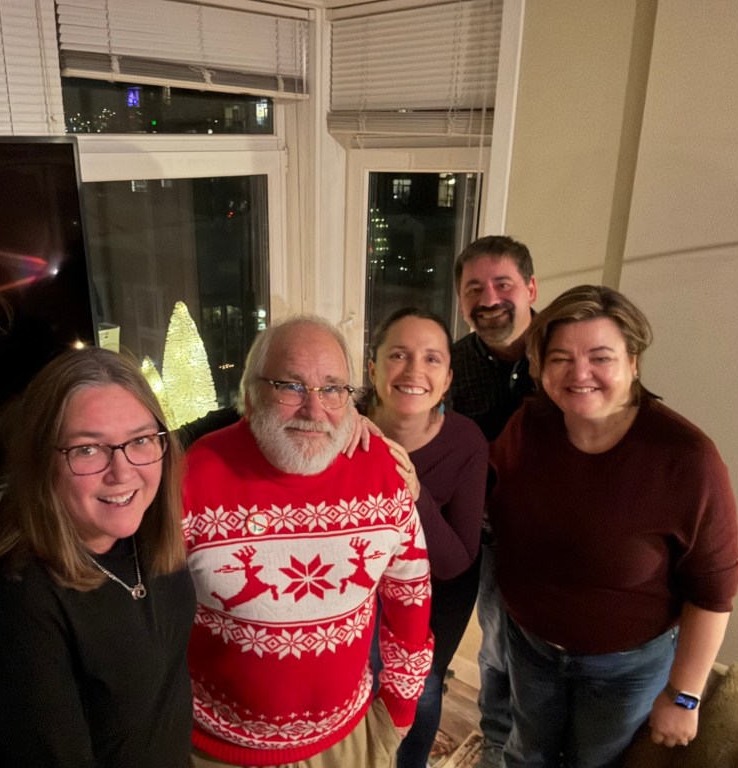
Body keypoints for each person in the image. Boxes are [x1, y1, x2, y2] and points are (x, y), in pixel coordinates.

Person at [490, 285, 738, 767]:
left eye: (600, 357)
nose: (579, 373)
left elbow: (713, 592)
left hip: (625, 667)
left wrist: (684, 695)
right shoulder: (529, 424)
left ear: (633, 362)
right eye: (560, 358)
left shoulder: (687, 459)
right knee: (525, 755)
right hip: (530, 645)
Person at [183, 315, 434, 768]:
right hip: (216, 748)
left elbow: (410, 592)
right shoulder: (194, 474)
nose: (314, 411)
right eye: (291, 387)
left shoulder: (382, 468)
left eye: (332, 389)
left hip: (349, 742)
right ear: (251, 393)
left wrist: (399, 707)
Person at [0, 347, 196, 767]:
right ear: (41, 461)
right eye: (87, 450)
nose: (122, 472)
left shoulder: (143, 538)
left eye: (140, 440)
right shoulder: (19, 595)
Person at [365, 308, 488, 768]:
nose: (414, 370)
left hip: (438, 595)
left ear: (448, 378)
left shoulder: (465, 441)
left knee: (422, 686)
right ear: (373, 369)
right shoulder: (343, 427)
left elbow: (456, 561)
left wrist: (414, 494)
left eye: (432, 358)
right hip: (358, 594)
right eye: (399, 355)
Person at [449, 234, 538, 766]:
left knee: (546, 657)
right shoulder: (453, 364)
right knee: (496, 647)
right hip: (488, 537)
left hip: (557, 539)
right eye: (474, 289)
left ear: (530, 288)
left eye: (503, 284)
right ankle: (495, 743)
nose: (489, 299)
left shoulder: (563, 351)